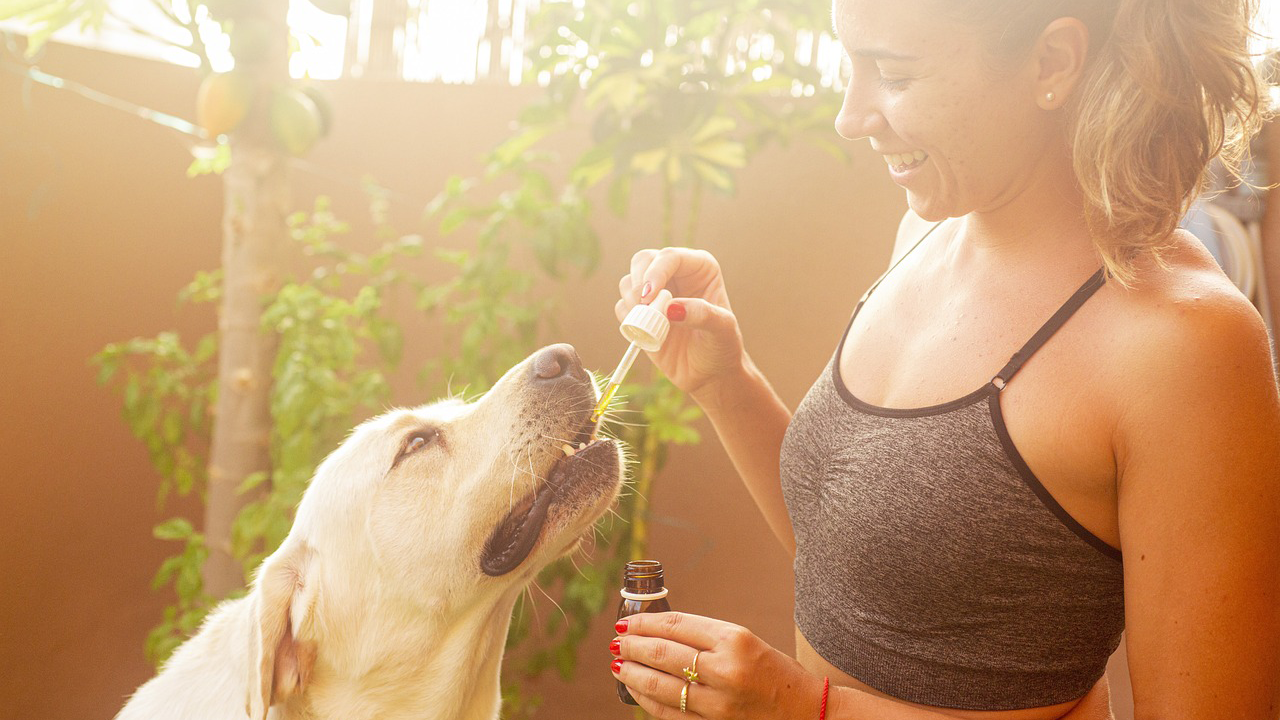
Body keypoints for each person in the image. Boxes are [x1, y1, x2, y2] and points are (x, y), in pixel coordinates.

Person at [608, 0, 1280, 718]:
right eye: (849, 65)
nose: (852, 115)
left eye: (893, 74)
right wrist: (726, 381)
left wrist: (803, 709)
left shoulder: (1184, 345)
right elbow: (868, 568)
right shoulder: (926, 234)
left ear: (1051, 63)